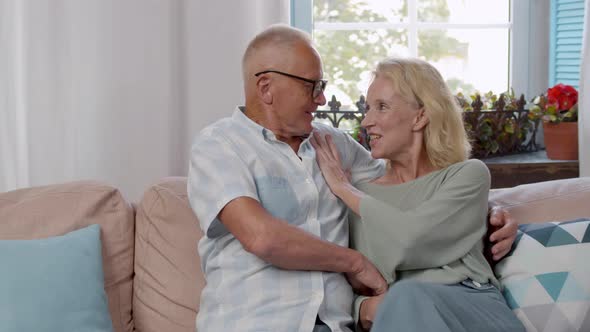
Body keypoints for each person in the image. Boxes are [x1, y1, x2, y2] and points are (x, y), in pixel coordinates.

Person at [187, 25, 517, 332]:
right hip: (257, 322)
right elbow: (261, 237)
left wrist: (491, 210)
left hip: (334, 324)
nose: (321, 99)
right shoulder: (219, 146)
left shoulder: (333, 146)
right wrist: (355, 264)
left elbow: (408, 190)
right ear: (266, 88)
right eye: (311, 86)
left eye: (322, 87)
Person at [311, 57, 525, 331]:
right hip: (399, 316)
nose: (366, 121)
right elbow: (355, 281)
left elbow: (411, 241)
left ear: (421, 116)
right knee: (403, 297)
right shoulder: (362, 195)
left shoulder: (467, 174)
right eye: (367, 108)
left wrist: (343, 188)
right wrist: (361, 308)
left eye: (382, 107)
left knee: (406, 294)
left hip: (470, 307)